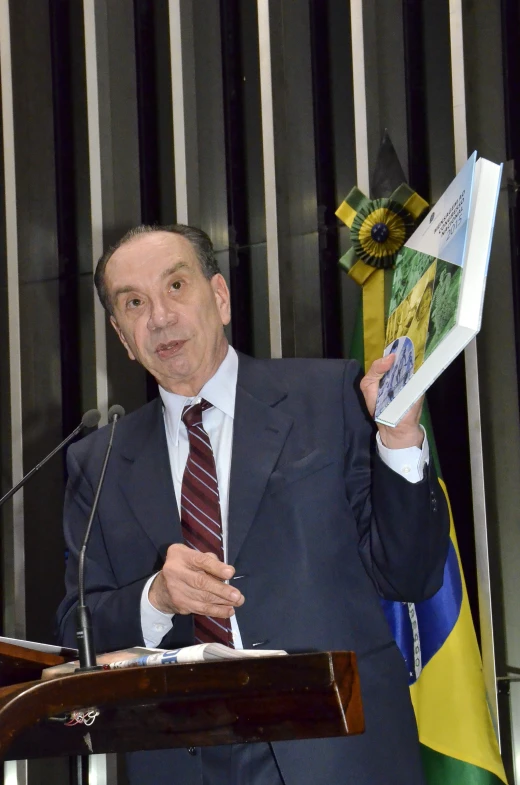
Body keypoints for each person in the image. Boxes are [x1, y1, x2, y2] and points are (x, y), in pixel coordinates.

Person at [56, 224, 449, 785]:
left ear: (219, 298)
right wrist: (157, 597)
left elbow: (409, 573)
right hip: (179, 760)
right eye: (134, 303)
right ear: (122, 336)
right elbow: (76, 629)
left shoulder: (330, 396)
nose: (160, 318)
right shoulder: (98, 459)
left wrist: (399, 439)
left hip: (339, 751)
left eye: (175, 287)